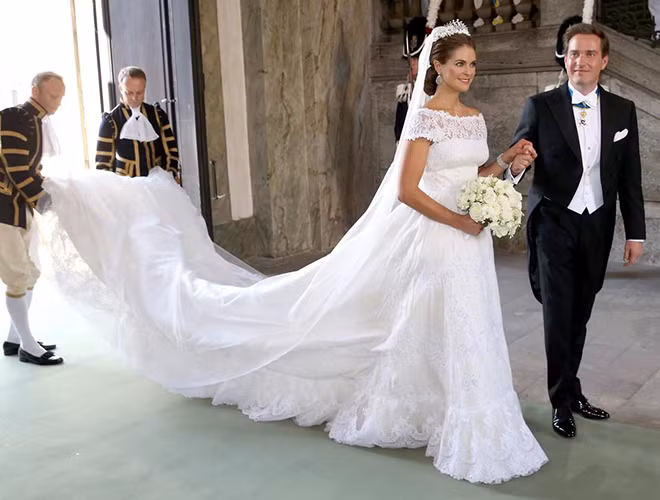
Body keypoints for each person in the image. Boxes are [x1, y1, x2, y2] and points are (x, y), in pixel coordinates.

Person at [42, 21, 547, 482]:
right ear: (436, 65)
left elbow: (470, 178)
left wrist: (507, 162)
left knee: (467, 322)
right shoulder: (425, 120)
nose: (467, 72)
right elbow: (408, 191)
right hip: (436, 237)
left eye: (472, 64)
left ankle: (463, 406)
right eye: (459, 63)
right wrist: (459, 221)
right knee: (432, 322)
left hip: (468, 241)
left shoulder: (475, 118)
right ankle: (429, 410)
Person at [509, 23, 646, 438]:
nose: (580, 61)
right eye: (573, 53)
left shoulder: (623, 110)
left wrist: (635, 233)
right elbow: (517, 158)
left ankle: (572, 388)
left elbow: (630, 176)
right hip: (553, 221)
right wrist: (517, 167)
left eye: (589, 54)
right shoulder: (540, 105)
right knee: (558, 312)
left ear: (604, 61)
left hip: (597, 223)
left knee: (581, 310)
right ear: (564, 58)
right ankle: (560, 401)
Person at [0, 72, 65, 366]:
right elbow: (16, 168)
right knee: (16, 275)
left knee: (30, 271)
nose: (58, 102)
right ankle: (27, 346)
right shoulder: (15, 116)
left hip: (18, 207)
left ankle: (15, 339)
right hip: (3, 208)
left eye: (61, 96)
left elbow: (30, 169)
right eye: (53, 95)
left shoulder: (36, 120)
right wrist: (43, 199)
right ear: (35, 91)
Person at [95, 66, 180, 183]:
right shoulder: (110, 121)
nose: (135, 98)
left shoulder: (157, 115)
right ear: (120, 88)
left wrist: (169, 176)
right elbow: (103, 166)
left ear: (144, 88)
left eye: (139, 92)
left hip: (158, 185)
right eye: (129, 93)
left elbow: (171, 151)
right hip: (127, 188)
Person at [394, 16, 427, 143]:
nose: (412, 63)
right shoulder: (405, 94)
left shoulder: (439, 91)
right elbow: (399, 133)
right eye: (411, 59)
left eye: (416, 59)